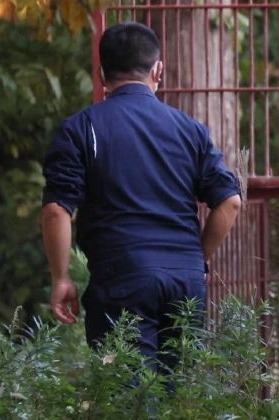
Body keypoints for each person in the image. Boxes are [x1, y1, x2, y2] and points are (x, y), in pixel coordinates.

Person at [41, 22, 242, 370]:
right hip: (185, 281)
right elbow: (230, 201)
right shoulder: (190, 130)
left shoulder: (81, 128)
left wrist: (61, 278)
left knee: (127, 398)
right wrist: (196, 259)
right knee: (177, 397)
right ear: (157, 70)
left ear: (101, 72)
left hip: (123, 278)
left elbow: (58, 210)